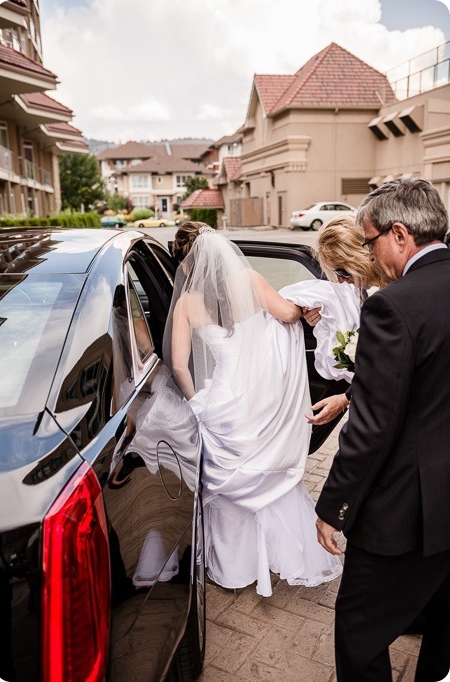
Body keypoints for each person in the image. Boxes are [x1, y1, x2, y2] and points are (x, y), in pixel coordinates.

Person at [315, 176, 450, 681]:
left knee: (359, 628)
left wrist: (334, 508)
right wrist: (352, 392)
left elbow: (373, 429)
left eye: (369, 240)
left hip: (409, 510)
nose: (370, 254)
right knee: (443, 622)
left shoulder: (392, 306)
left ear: (399, 234)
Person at [163, 221, 343, 597]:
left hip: (221, 403)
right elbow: (289, 316)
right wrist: (307, 308)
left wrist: (197, 401)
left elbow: (179, 364)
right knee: (270, 478)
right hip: (260, 401)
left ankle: (234, 568)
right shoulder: (247, 277)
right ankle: (285, 557)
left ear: (187, 260)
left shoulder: (186, 302)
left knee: (227, 490)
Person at [302, 215, 382, 426]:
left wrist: (345, 399)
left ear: (358, 257)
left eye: (341, 271)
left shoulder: (391, 294)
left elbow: (387, 366)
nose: (339, 280)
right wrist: (325, 319)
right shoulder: (361, 291)